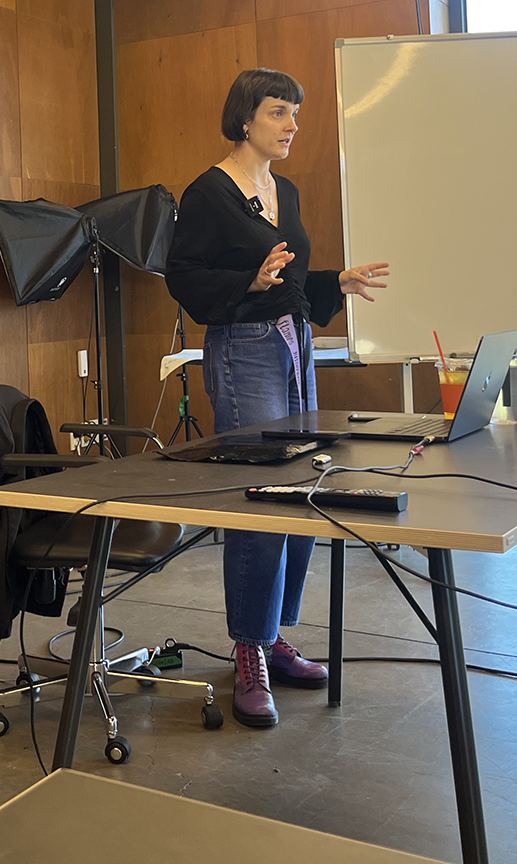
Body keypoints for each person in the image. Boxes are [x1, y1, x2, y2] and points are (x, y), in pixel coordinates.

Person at [166, 68, 390, 729]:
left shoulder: (283, 190)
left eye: (294, 112)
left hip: (294, 344)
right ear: (244, 119)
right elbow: (184, 277)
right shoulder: (208, 193)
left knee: (301, 489)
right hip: (244, 352)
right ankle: (248, 649)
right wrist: (249, 280)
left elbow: (287, 278)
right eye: (278, 112)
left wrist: (333, 282)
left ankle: (272, 635)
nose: (292, 124)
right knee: (261, 497)